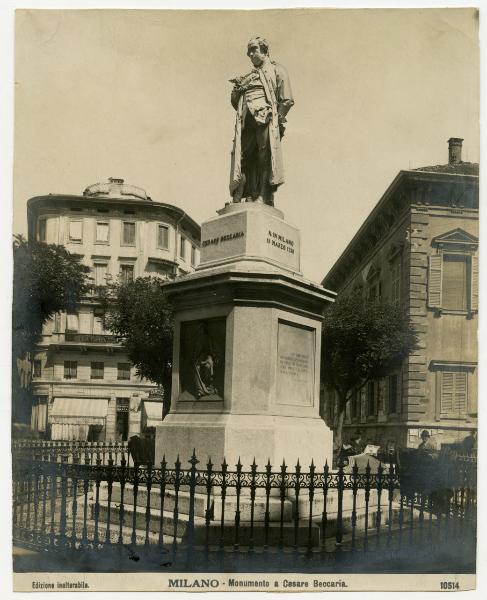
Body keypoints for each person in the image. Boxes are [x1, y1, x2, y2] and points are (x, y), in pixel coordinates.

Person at [229, 37, 294, 205]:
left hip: (266, 119)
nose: (250, 54)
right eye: (248, 51)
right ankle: (244, 194)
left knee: (264, 157)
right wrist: (237, 90)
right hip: (246, 121)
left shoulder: (277, 70)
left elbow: (286, 99)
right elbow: (236, 102)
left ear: (265, 50)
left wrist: (276, 121)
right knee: (243, 157)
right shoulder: (248, 76)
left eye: (253, 49)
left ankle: (263, 195)